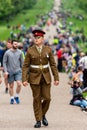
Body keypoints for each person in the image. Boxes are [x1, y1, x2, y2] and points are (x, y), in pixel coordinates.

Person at [22, 29, 59, 128]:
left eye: (38, 38)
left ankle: (42, 114)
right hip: (34, 78)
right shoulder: (30, 50)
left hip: (46, 77)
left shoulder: (48, 49)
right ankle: (38, 120)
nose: (36, 39)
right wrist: (24, 79)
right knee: (36, 99)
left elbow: (53, 64)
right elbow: (25, 66)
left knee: (47, 98)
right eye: (35, 37)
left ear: (43, 39)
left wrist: (56, 77)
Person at [3, 40, 24, 104]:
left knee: (19, 84)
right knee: (11, 86)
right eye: (15, 44)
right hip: (10, 71)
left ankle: (16, 96)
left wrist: (23, 70)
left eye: (17, 44)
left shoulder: (20, 52)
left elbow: (22, 62)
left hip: (18, 71)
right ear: (12, 45)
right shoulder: (7, 53)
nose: (16, 45)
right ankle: (12, 98)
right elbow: (4, 62)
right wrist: (6, 71)